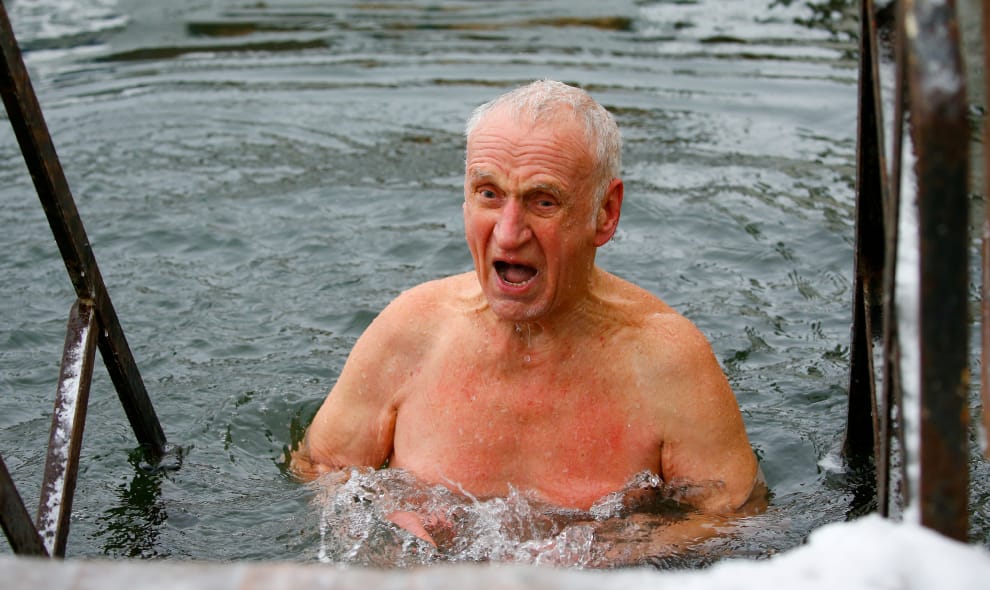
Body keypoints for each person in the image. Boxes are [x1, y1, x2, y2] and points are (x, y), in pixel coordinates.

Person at [291, 79, 763, 547]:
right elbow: (319, 467)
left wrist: (620, 549)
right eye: (489, 194)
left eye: (543, 201)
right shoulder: (410, 331)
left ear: (605, 212)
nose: (509, 233)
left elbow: (737, 520)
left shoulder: (669, 363)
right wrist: (376, 513)